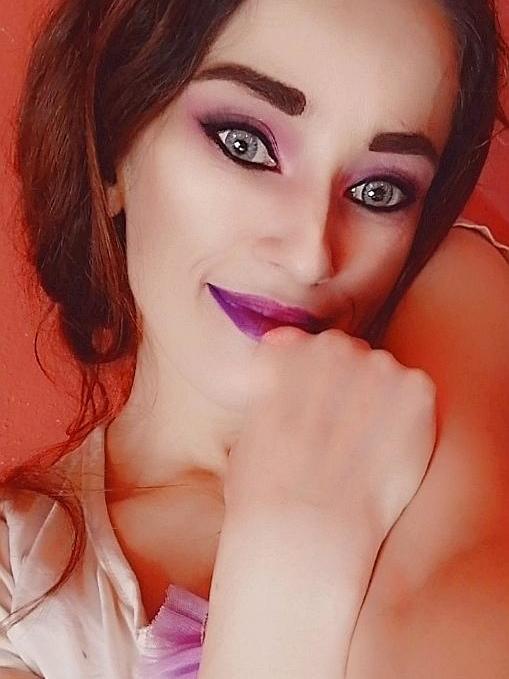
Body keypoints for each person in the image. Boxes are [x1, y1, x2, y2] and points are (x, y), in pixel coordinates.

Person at [1, 0, 508, 677]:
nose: (311, 255)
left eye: (381, 191)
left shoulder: (455, 344)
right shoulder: (20, 591)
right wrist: (288, 557)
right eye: (244, 143)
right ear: (114, 143)